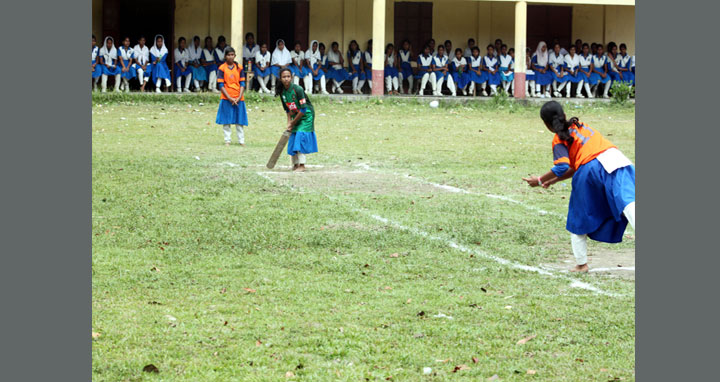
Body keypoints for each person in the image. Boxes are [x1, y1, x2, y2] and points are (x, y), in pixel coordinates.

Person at [523, 101, 635, 273]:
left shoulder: (558, 139)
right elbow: (577, 164)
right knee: (629, 203)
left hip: (591, 169)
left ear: (546, 124)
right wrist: (553, 180)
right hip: (617, 159)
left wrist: (539, 180)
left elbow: (563, 166)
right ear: (564, 115)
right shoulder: (580, 125)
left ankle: (581, 264)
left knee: (578, 215)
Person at [276, 68, 318, 172]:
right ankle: (295, 164)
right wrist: (289, 124)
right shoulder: (282, 93)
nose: (286, 79)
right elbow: (288, 110)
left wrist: (293, 122)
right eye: (284, 77)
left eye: (288, 76)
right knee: (293, 138)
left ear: (291, 77)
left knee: (300, 136)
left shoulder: (298, 89)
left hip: (306, 115)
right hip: (295, 115)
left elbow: (303, 109)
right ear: (280, 79)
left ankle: (302, 165)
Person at [216, 47, 249, 147]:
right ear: (225, 56)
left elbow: (242, 83)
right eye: (229, 55)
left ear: (235, 56)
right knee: (226, 121)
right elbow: (221, 85)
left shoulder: (239, 67)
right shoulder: (222, 68)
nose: (231, 57)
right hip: (226, 98)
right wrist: (229, 98)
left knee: (239, 121)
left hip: (239, 98)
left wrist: (239, 97)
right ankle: (227, 140)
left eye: (232, 55)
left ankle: (241, 141)